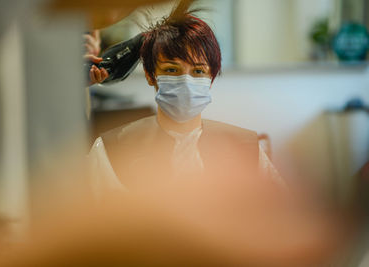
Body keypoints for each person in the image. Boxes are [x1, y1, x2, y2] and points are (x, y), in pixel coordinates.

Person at [88, 9, 285, 194]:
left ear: (212, 78)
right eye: (171, 70)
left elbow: (281, 218)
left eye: (198, 71)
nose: (186, 81)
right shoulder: (112, 150)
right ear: (150, 75)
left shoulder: (246, 149)